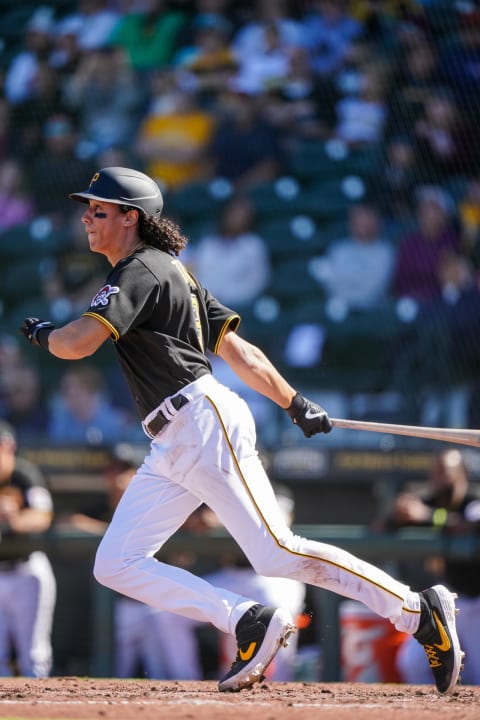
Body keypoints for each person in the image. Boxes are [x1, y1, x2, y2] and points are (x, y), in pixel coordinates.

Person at [20, 165, 463, 694]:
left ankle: (417, 610)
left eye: (99, 209)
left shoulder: (141, 267)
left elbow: (78, 343)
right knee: (116, 562)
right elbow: (242, 353)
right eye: (87, 208)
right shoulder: (173, 272)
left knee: (279, 551)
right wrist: (294, 401)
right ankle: (248, 620)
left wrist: (44, 333)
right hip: (174, 438)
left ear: (130, 217)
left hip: (200, 420)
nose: (87, 218)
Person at [377, 448, 480, 686]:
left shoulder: (473, 500)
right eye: (435, 472)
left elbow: (467, 524)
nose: (439, 479)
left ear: (462, 474)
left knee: (476, 673)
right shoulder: (430, 500)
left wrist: (428, 516)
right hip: (446, 604)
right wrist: (396, 515)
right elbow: (379, 529)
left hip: (476, 603)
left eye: (446, 472)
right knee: (411, 663)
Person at [0, 420, 56, 677]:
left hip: (26, 570)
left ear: (8, 446)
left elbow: (43, 516)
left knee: (34, 655)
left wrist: (13, 520)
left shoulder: (24, 474)